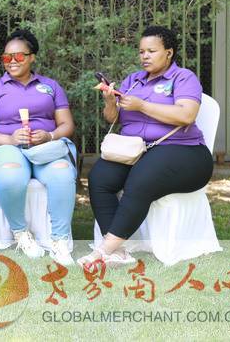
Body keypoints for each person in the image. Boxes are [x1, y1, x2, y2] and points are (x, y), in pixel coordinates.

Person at [80, 25, 213, 268]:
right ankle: (119, 250)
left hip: (183, 151)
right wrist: (110, 102)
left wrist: (142, 105)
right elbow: (113, 118)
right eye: (142, 51)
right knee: (99, 177)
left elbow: (186, 115)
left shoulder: (183, 78)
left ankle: (103, 251)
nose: (145, 56)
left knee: (140, 179)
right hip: (136, 150)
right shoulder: (133, 81)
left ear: (169, 53)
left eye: (151, 51)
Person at [0, 29, 77, 265]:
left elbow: (67, 125)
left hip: (45, 148)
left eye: (19, 56)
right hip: (7, 147)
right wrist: (10, 139)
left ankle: (60, 241)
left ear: (32, 57)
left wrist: (50, 135)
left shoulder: (50, 86)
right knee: (10, 176)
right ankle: (21, 233)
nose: (12, 61)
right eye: (7, 57)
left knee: (62, 174)